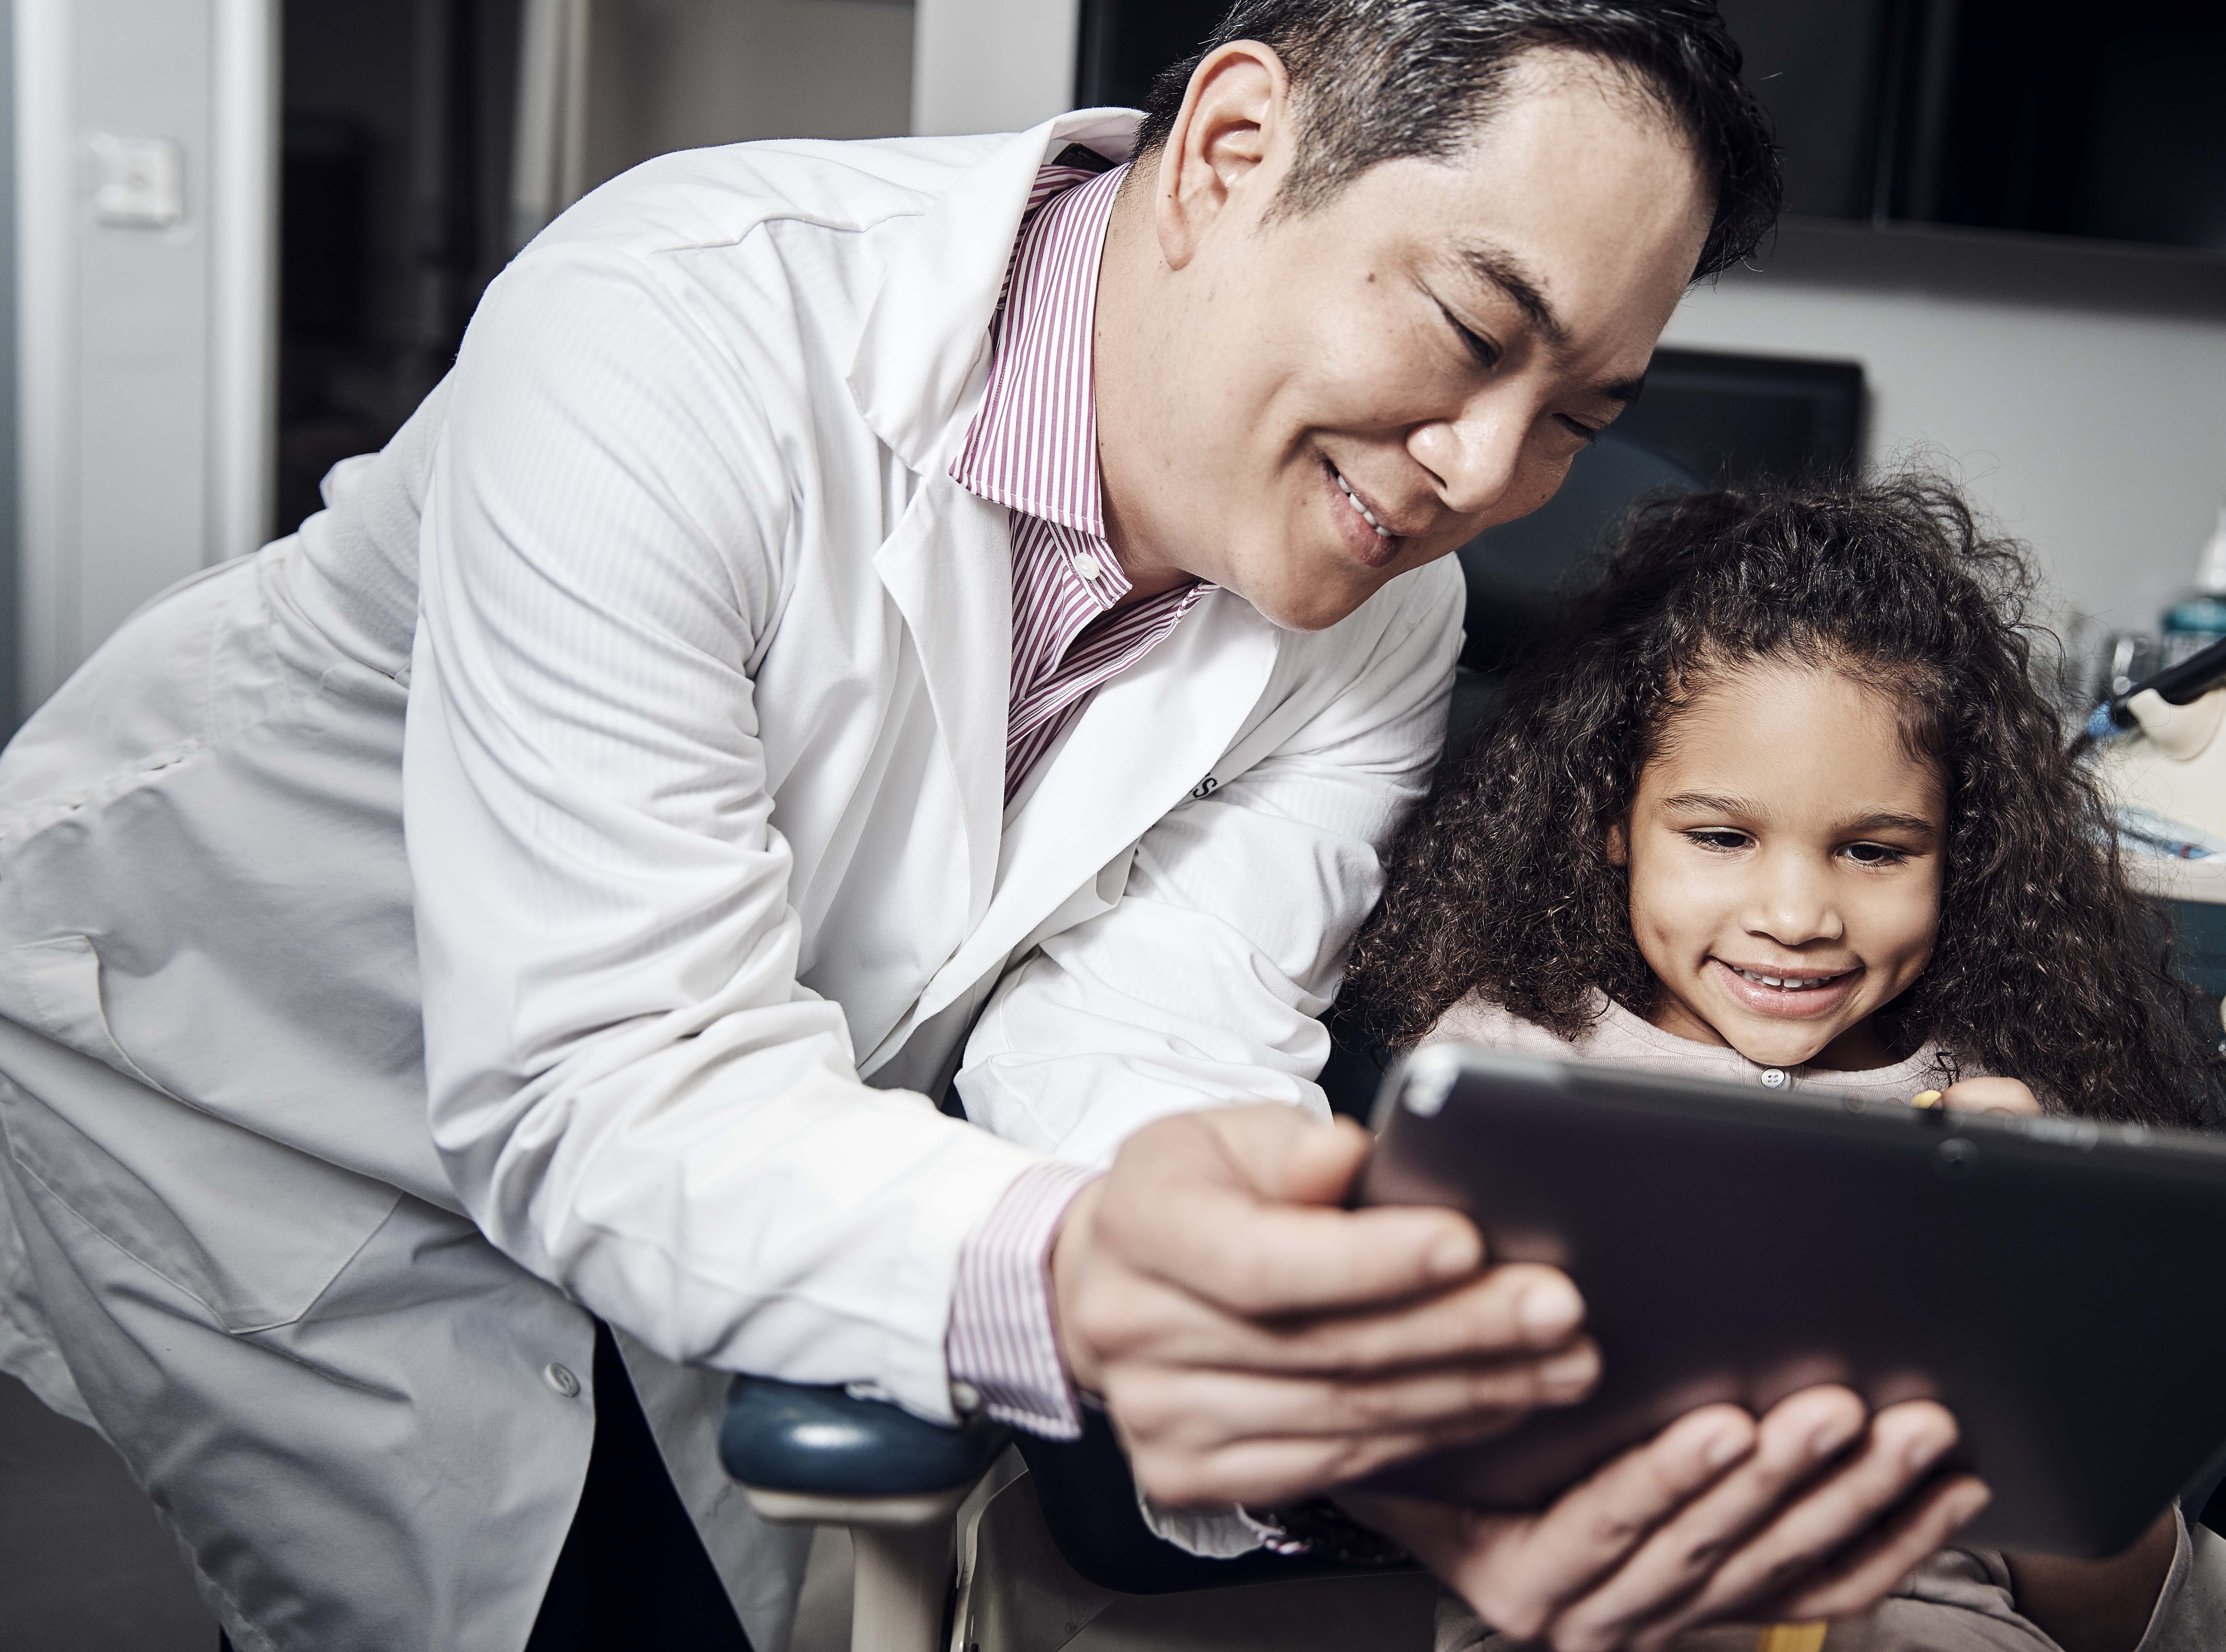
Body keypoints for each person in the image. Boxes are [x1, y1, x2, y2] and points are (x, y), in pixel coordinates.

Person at [0, 6, 1976, 1649]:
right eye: (1472, 328)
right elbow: (606, 1078)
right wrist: (1091, 1279)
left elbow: (1139, 1051)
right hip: (241, 1052)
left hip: (707, 1088)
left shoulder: (1383, 607)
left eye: (1575, 411)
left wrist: (1369, 1414)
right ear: (1229, 147)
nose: (1488, 471)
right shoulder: (672, 331)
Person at [1339, 478, 2226, 1651]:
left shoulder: (2009, 1118)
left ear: (1956, 855)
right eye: (1721, 837)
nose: (1797, 914)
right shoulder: (1502, 1070)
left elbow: (2111, 1617)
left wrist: (2039, 1308)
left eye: (1874, 851)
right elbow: (1391, 1456)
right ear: (1613, 818)